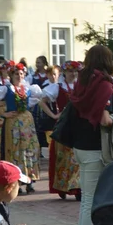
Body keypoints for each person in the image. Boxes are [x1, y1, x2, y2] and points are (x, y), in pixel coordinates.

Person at [68, 45, 113, 225]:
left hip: (81, 146)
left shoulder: (82, 82)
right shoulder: (102, 85)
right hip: (96, 148)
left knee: (89, 200)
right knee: (91, 202)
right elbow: (104, 119)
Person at [0, 63, 44, 194]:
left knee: (29, 149)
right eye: (16, 74)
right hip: (12, 122)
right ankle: (15, 181)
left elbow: (37, 100)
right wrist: (3, 113)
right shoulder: (6, 89)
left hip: (26, 123)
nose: (19, 76)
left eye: (21, 74)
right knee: (14, 151)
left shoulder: (29, 88)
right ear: (11, 75)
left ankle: (30, 179)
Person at [41, 62, 82, 200]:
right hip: (64, 125)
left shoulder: (80, 86)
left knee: (77, 156)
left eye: (75, 71)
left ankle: (77, 186)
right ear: (64, 72)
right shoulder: (57, 87)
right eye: (71, 71)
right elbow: (42, 101)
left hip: (78, 124)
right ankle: (63, 185)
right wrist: (53, 115)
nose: (73, 74)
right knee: (64, 157)